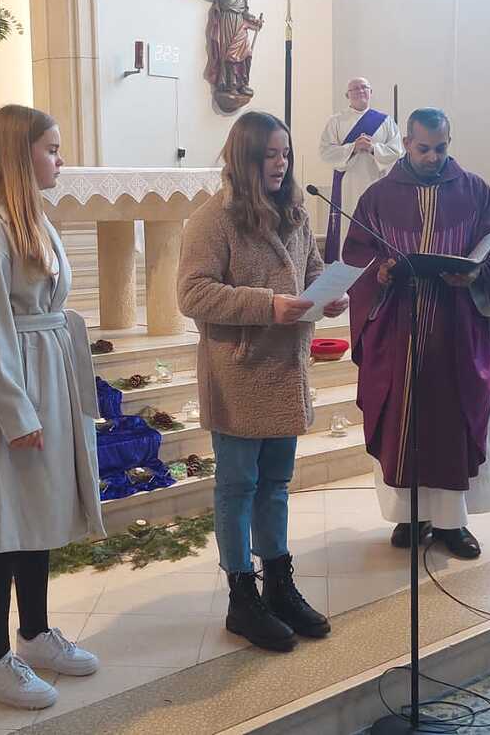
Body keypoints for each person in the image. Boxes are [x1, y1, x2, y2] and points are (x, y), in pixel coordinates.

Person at [0, 104, 104, 710]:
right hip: (13, 383)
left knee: (35, 508)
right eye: (51, 150)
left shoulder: (27, 215)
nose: (60, 161)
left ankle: (34, 634)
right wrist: (17, 415)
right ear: (20, 153)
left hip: (46, 369)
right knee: (0, 521)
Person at [178, 111, 343, 653]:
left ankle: (278, 583)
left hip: (285, 368)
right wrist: (266, 305)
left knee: (275, 483)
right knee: (237, 486)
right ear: (245, 158)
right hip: (240, 373)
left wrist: (328, 293)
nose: (281, 164)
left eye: (285, 154)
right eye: (270, 155)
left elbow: (312, 267)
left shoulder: (294, 210)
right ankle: (242, 597)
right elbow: (192, 294)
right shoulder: (212, 220)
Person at [343, 108, 490, 559]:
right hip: (398, 329)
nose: (432, 157)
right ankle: (410, 516)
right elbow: (357, 256)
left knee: (453, 420)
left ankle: (452, 523)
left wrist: (475, 275)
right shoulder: (378, 197)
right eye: (423, 148)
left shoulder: (474, 190)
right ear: (406, 143)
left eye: (441, 148)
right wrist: (379, 273)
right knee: (401, 422)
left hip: (456, 326)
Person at [317, 77, 403, 262]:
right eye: (355, 89)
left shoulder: (385, 121)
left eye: (364, 87)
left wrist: (373, 148)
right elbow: (325, 151)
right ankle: (347, 268)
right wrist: (353, 148)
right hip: (348, 185)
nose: (360, 91)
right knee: (348, 223)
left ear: (370, 92)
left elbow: (397, 151)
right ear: (347, 95)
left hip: (377, 183)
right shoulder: (336, 121)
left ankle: (378, 268)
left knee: (376, 226)